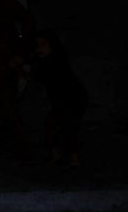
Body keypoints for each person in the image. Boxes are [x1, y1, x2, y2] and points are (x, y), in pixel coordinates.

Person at [31, 30, 88, 167]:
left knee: (66, 128)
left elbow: (40, 77)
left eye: (43, 45)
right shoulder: (49, 61)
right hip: (65, 100)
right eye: (38, 46)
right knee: (58, 127)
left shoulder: (54, 62)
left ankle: (70, 158)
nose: (40, 49)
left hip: (71, 100)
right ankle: (62, 156)